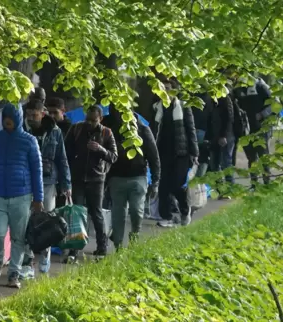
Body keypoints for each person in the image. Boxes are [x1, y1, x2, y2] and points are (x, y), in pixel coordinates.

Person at [0, 103, 44, 289]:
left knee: (18, 237)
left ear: (19, 119)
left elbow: (37, 171)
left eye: (12, 120)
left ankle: (14, 273)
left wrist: (39, 198)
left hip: (22, 196)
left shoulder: (29, 141)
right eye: (6, 120)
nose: (8, 123)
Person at [21, 99, 71, 277]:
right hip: (26, 181)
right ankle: (27, 262)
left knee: (47, 222)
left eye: (34, 115)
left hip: (48, 181)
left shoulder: (55, 132)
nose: (31, 118)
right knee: (26, 222)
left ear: (42, 114)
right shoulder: (22, 130)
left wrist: (67, 185)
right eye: (28, 115)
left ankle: (45, 254)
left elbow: (61, 159)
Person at [64, 105, 118, 262]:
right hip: (78, 177)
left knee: (96, 213)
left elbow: (114, 156)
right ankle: (73, 250)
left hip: (97, 178)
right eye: (87, 119)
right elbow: (66, 151)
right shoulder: (76, 129)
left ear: (100, 119)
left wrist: (100, 149)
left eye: (93, 120)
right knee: (77, 213)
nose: (89, 123)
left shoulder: (106, 133)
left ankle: (102, 247)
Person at [103, 107, 160, 248]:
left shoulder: (143, 130)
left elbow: (154, 156)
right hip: (116, 178)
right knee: (118, 214)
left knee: (136, 211)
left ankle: (135, 234)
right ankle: (118, 246)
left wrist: (155, 181)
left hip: (138, 177)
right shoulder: (110, 130)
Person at [153, 80, 199, 228]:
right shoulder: (157, 108)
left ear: (174, 91)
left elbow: (191, 130)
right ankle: (167, 216)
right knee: (163, 186)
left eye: (167, 88)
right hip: (162, 152)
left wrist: (194, 153)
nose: (164, 91)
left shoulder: (183, 107)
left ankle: (185, 211)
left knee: (179, 185)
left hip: (181, 153)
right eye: (162, 89)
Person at [233, 78, 272, 186]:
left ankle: (267, 183)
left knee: (263, 156)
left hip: (261, 129)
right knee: (251, 158)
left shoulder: (260, 87)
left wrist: (261, 115)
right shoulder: (238, 90)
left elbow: (274, 105)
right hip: (247, 130)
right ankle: (254, 183)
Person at [206, 94, 235, 195]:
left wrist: (224, 135)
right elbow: (209, 118)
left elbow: (229, 118)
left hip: (226, 136)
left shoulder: (225, 98)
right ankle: (220, 189)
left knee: (226, 163)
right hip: (214, 137)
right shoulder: (211, 99)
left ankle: (230, 189)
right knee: (214, 164)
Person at [46, 97, 72, 208]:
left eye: (55, 112)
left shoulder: (71, 128)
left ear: (63, 111)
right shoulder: (44, 127)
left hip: (64, 175)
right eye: (49, 112)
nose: (51, 116)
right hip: (48, 175)